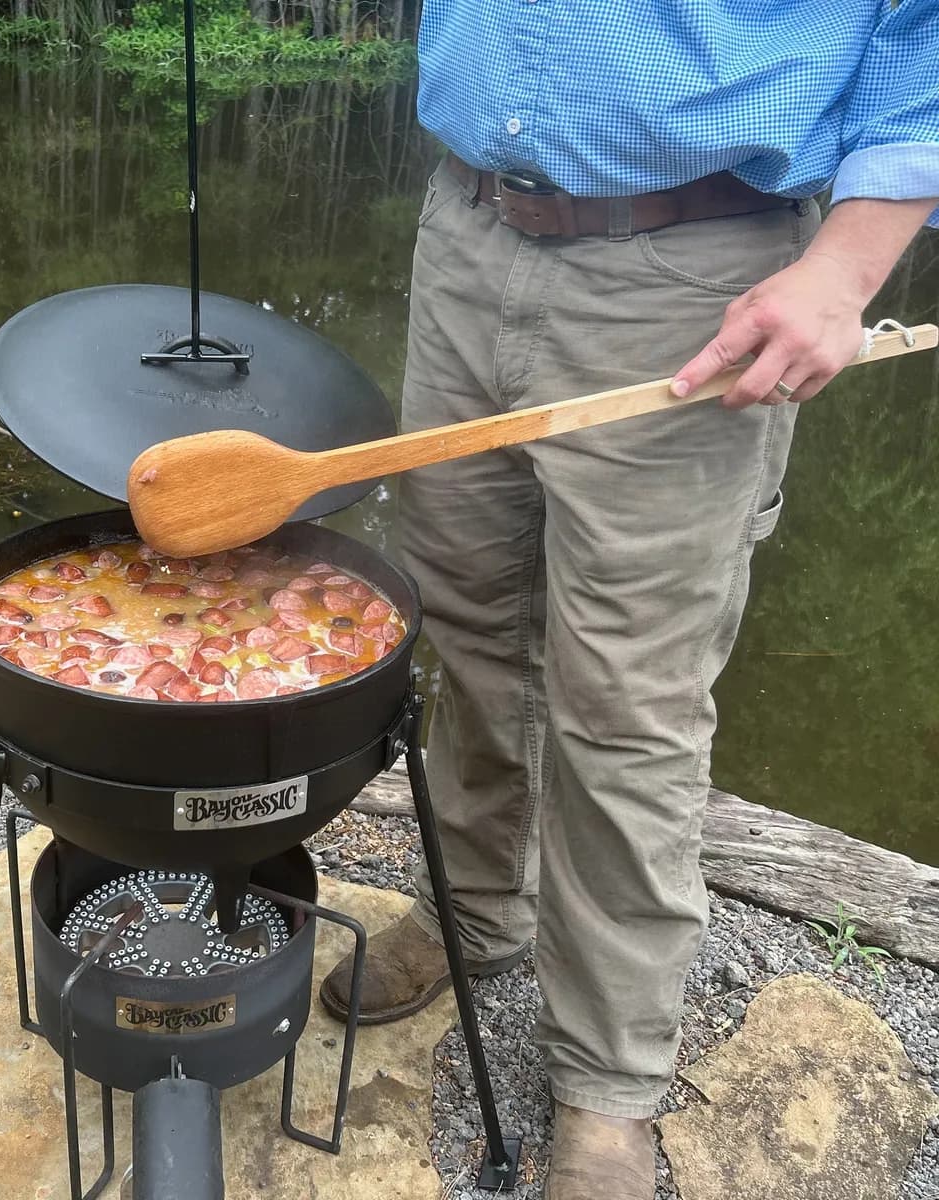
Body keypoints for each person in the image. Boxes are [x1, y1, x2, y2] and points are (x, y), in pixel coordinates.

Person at [320, 4, 939, 1197]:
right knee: (466, 627)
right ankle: (480, 909)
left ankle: (608, 1082)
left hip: (697, 277)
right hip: (464, 233)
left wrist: (844, 270)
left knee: (629, 698)